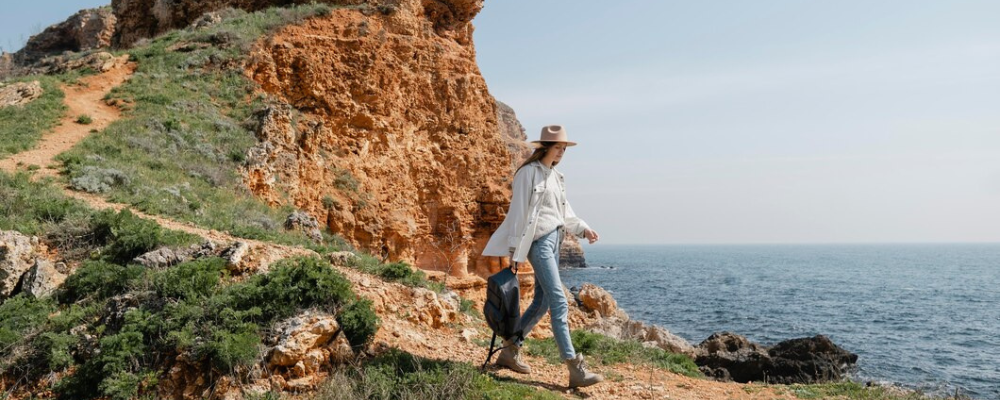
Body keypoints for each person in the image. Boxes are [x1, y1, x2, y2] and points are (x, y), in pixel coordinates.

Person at [482, 125, 603, 388]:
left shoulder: (556, 176)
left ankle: (510, 350)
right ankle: (575, 369)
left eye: (564, 148)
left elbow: (564, 213)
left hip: (556, 240)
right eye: (558, 147)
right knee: (559, 301)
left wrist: (584, 229)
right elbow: (518, 213)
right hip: (538, 243)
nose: (561, 152)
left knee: (543, 302)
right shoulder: (528, 173)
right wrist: (514, 251)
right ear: (545, 147)